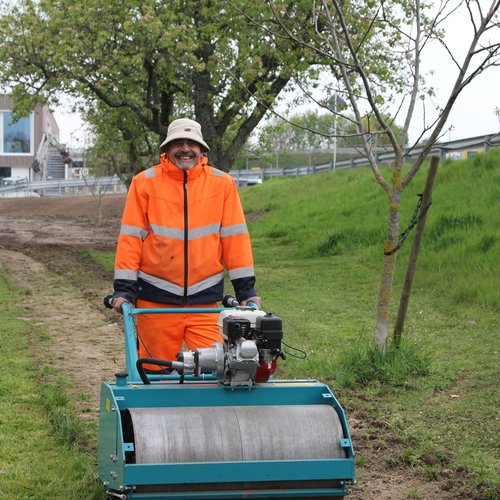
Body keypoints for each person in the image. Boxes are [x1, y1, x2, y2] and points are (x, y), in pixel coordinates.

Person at [111, 118, 261, 365]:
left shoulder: (222, 184)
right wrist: (124, 291)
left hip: (205, 304)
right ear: (167, 150)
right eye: (178, 143)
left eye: (191, 143)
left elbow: (235, 240)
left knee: (215, 371)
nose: (185, 149)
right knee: (152, 373)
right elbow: (130, 240)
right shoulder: (144, 183)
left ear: (202, 150)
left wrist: (246, 291)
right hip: (155, 303)